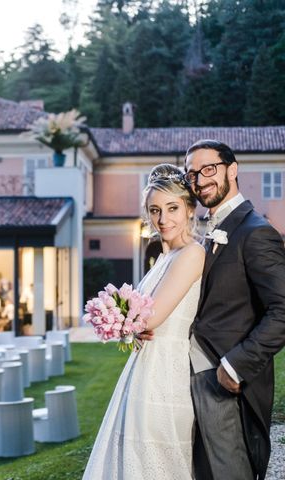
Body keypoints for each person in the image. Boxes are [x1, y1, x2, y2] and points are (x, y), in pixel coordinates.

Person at [83, 164, 205, 479]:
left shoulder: (192, 254)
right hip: (144, 368)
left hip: (166, 371)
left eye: (172, 208)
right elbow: (143, 321)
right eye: (155, 210)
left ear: (190, 209)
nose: (163, 219)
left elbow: (153, 316)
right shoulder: (162, 258)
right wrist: (130, 327)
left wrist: (119, 316)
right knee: (132, 455)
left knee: (159, 455)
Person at [180, 140, 285, 480]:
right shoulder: (202, 232)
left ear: (233, 169)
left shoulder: (256, 232)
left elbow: (283, 310)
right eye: (192, 173)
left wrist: (235, 365)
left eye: (208, 169)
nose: (199, 180)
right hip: (186, 375)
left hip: (222, 378)